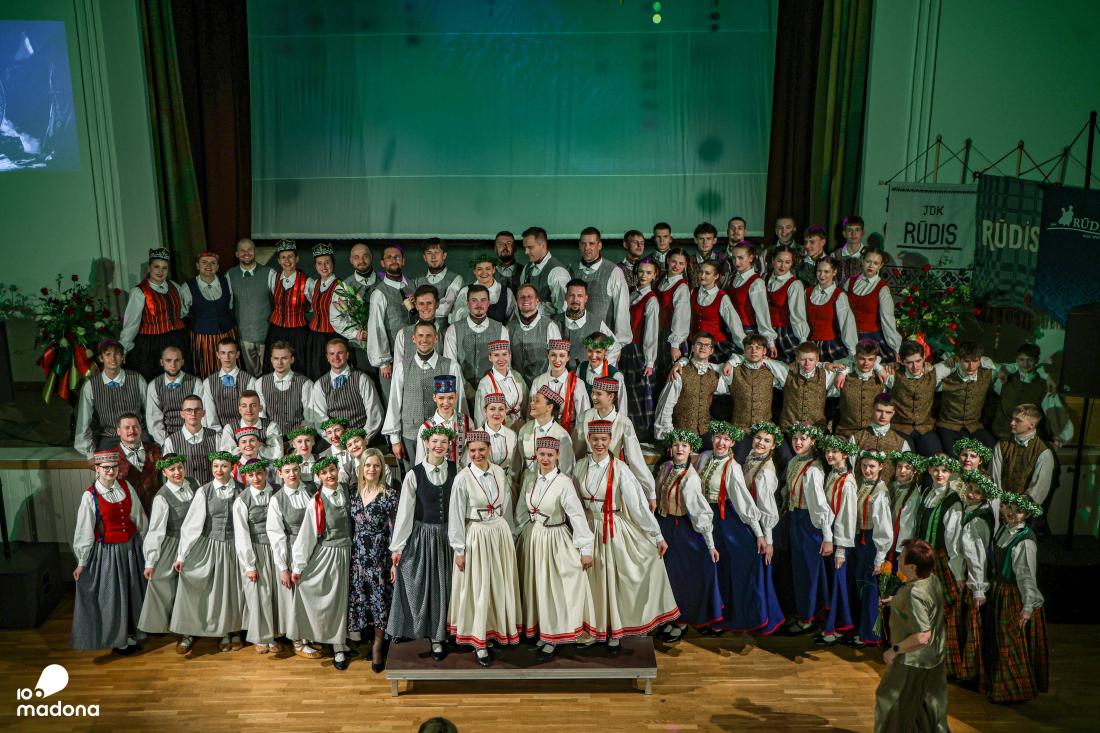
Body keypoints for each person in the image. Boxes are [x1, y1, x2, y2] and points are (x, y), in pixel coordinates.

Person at [573, 420, 679, 652]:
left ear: (611, 440)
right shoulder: (580, 466)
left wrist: (657, 535)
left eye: (604, 439)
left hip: (612, 528)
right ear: (588, 439)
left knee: (613, 580)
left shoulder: (620, 469)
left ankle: (614, 631)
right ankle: (592, 630)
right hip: (588, 528)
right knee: (591, 583)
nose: (599, 444)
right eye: (595, 439)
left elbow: (638, 506)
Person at [693, 422, 784, 637]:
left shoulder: (736, 467)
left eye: (726, 439)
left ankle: (730, 618)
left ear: (732, 442)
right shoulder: (706, 457)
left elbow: (746, 503)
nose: (721, 442)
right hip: (703, 516)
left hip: (725, 520)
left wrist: (762, 536)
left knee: (729, 568)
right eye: (718, 437)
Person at [512, 436, 595, 661]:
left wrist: (585, 549)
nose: (545, 459)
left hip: (555, 539)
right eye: (542, 454)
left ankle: (553, 637)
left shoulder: (564, 483)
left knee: (553, 588)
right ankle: (542, 632)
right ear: (536, 455)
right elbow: (521, 511)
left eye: (550, 455)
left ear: (558, 455)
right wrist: (514, 536)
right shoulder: (530, 477)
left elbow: (577, 516)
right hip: (532, 539)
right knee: (536, 587)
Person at [447, 430, 520, 666]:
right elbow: (456, 516)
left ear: (489, 449)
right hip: (476, 535)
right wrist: (459, 550)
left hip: (498, 532)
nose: (477, 454)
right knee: (479, 586)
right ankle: (479, 641)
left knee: (497, 583)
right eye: (472, 451)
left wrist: (509, 534)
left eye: (481, 449)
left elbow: (506, 505)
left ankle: (495, 629)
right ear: (467, 452)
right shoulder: (462, 478)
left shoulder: (499, 472)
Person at [388, 426, 457, 660]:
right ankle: (427, 634)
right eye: (435, 441)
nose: (439, 446)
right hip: (423, 537)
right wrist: (398, 547)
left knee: (445, 586)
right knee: (421, 584)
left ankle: (443, 635)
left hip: (448, 536)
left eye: (444, 441)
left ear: (449, 445)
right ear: (426, 443)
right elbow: (405, 513)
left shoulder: (456, 470)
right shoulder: (414, 474)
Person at [70, 450, 148, 654]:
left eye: (114, 467)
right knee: (113, 598)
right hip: (108, 553)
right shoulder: (90, 495)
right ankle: (118, 640)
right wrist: (81, 561)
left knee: (132, 592)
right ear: (97, 468)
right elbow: (84, 530)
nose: (111, 471)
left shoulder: (125, 486)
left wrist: (146, 543)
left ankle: (130, 634)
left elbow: (138, 516)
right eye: (106, 468)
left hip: (130, 549)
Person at [170, 451, 245, 653]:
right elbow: (192, 524)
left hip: (234, 545)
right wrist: (182, 555)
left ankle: (233, 631)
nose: (219, 470)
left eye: (224, 466)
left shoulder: (241, 490)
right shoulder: (204, 491)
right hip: (210, 544)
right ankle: (191, 632)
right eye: (216, 466)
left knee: (233, 590)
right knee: (201, 586)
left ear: (232, 468)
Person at [874, 538, 950, 733]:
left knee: (891, 704)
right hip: (933, 658)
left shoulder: (913, 593)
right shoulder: (931, 579)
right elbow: (925, 605)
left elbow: (922, 635)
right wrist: (896, 601)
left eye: (902, 557)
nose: (898, 559)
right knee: (925, 711)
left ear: (912, 567)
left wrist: (894, 650)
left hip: (911, 662)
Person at [981, 493, 1048, 704]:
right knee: (997, 640)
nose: (1011, 513)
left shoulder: (1025, 541)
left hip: (1013, 595)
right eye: (1009, 507)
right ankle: (997, 685)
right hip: (999, 590)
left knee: (1010, 642)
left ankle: (1012, 691)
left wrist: (1027, 607)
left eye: (1018, 511)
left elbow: (1026, 576)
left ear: (1026, 515)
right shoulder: (1004, 529)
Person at [654, 430, 720, 643]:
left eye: (684, 445)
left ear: (691, 449)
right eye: (676, 445)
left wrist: (710, 544)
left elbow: (701, 513)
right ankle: (668, 617)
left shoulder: (690, 478)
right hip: (663, 525)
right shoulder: (665, 467)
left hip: (681, 529)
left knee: (680, 577)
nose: (680, 449)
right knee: (665, 576)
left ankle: (681, 622)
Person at [290, 456, 354, 670]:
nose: (329, 475)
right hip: (330, 554)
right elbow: (306, 535)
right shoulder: (316, 501)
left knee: (346, 600)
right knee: (333, 600)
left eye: (332, 470)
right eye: (324, 472)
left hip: (351, 552)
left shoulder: (348, 491)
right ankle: (336, 646)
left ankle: (343, 639)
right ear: (318, 476)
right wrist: (298, 566)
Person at [382, 323, 465, 472]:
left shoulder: (451, 366)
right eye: (420, 335)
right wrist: (395, 439)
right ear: (413, 338)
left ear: (436, 338)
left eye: (429, 336)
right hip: (410, 437)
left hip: (443, 438)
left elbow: (459, 403)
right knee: (413, 478)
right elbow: (395, 403)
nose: (424, 339)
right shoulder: (401, 368)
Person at [137, 454, 197, 650]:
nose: (177, 472)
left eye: (180, 467)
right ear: (164, 472)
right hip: (174, 543)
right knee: (171, 585)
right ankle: (185, 633)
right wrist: (150, 562)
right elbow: (156, 531)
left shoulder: (195, 485)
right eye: (172, 469)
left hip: (197, 543)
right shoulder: (162, 497)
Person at [914, 455, 965, 678]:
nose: (939, 474)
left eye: (944, 470)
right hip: (922, 559)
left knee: (942, 613)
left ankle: (944, 663)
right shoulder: (926, 493)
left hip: (939, 560)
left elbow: (953, 541)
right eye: (935, 469)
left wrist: (958, 573)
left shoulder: (952, 501)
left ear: (950, 473)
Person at [348, 448, 398, 673]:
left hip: (380, 557)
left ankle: (379, 646)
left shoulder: (390, 495)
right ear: (361, 468)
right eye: (368, 465)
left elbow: (396, 531)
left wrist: (394, 563)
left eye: (376, 465)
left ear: (382, 469)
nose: (372, 469)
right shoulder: (353, 493)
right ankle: (369, 641)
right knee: (364, 601)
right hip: (359, 557)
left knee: (380, 603)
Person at [266, 454, 320, 659]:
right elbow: (276, 534)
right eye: (287, 471)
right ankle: (298, 641)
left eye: (295, 469)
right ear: (280, 474)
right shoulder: (277, 499)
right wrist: (283, 567)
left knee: (311, 593)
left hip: (315, 549)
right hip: (293, 549)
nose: (292, 474)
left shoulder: (312, 489)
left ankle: (311, 634)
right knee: (294, 597)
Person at [784, 423, 834, 634]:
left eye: (803, 439)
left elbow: (820, 506)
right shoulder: (794, 461)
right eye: (795, 438)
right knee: (799, 572)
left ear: (813, 441)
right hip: (796, 519)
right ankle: (803, 613)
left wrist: (827, 536)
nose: (798, 442)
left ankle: (809, 617)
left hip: (810, 523)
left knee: (810, 573)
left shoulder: (813, 469)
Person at [571, 377, 655, 501]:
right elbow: (575, 449)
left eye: (599, 394)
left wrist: (650, 491)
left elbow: (635, 458)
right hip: (587, 476)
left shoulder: (623, 422)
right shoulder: (587, 415)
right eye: (593, 392)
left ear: (611, 396)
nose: (593, 397)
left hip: (611, 477)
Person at [119, 247, 192, 381]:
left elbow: (181, 312)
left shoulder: (174, 286)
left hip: (178, 340)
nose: (160, 271)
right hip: (153, 344)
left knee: (180, 378)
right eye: (156, 267)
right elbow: (132, 323)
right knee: (156, 380)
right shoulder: (139, 292)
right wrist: (123, 347)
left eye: (164, 268)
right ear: (149, 268)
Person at [813, 437, 858, 647]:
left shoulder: (847, 482)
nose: (830, 455)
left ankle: (837, 629)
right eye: (828, 451)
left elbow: (845, 518)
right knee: (832, 583)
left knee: (839, 584)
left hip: (840, 539)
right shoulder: (832, 473)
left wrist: (840, 549)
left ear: (845, 454)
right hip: (830, 534)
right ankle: (830, 627)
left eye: (835, 452)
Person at [233, 458, 281, 655]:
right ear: (246, 477)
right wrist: (249, 564)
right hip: (257, 549)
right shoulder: (242, 500)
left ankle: (274, 635)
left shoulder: (277, 491)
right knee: (260, 593)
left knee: (276, 593)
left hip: (277, 547)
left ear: (265, 473)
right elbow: (241, 533)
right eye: (251, 475)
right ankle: (261, 636)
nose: (256, 478)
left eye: (259, 473)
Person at [954, 470, 999, 683]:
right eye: (970, 488)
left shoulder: (977, 519)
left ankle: (971, 673)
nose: (971, 493)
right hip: (973, 577)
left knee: (973, 626)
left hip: (976, 579)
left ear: (985, 495)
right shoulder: (972, 509)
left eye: (977, 492)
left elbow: (977, 556)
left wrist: (978, 588)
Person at [850, 451, 895, 648]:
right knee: (861, 586)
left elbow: (883, 528)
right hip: (860, 540)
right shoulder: (861, 484)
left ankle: (871, 634)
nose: (867, 470)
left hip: (871, 542)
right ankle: (861, 629)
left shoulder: (880, 492)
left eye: (872, 466)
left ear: (881, 467)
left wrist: (879, 558)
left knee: (870, 588)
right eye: (864, 466)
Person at [653, 332, 730, 445]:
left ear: (711, 350)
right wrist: (669, 437)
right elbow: (665, 406)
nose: (703, 347)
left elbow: (732, 383)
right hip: (681, 432)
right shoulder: (679, 373)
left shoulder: (715, 374)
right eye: (699, 344)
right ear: (693, 348)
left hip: (704, 432)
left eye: (707, 345)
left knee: (722, 449)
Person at [75, 340, 148, 457]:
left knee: (144, 461)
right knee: (107, 464)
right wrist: (88, 451)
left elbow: (151, 413)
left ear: (123, 357)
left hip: (137, 436)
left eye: (117, 354)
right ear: (101, 358)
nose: (113, 358)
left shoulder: (137, 379)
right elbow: (83, 421)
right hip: (110, 438)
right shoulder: (91, 385)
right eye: (108, 354)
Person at [992, 343, 1071, 447]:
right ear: (1016, 360)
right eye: (1021, 359)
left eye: (1030, 360)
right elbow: (985, 366)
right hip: (1001, 436)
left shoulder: (1044, 386)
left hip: (1030, 440)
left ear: (1036, 361)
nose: (1025, 363)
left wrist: (1058, 442)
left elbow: (1056, 415)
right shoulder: (1003, 379)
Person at [367, 244, 417, 404]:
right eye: (389, 258)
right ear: (383, 263)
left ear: (403, 261)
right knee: (394, 403)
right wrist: (383, 362)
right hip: (393, 358)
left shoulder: (412, 285)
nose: (393, 260)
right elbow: (376, 328)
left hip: (415, 354)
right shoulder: (380, 293)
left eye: (397, 257)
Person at [444, 284, 511, 397]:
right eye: (474, 300)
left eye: (483, 300)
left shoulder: (501, 330)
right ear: (468, 303)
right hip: (461, 394)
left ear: (488, 303)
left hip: (493, 393)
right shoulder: (453, 329)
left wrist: (488, 389)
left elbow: (505, 366)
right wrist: (468, 391)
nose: (479, 304)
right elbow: (451, 365)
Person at [310, 338, 384, 441]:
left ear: (347, 355)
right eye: (332, 354)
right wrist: (336, 441)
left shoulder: (362, 379)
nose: (336, 357)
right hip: (335, 441)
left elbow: (375, 413)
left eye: (340, 353)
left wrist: (362, 439)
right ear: (327, 357)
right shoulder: (319, 385)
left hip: (362, 439)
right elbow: (320, 420)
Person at [934, 341, 998, 453]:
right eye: (967, 361)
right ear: (959, 360)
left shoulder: (987, 374)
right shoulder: (948, 376)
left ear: (980, 361)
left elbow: (1009, 367)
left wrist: (1003, 371)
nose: (971, 366)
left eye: (975, 361)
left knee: (993, 449)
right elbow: (932, 374)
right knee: (953, 455)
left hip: (974, 426)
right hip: (948, 425)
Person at [571, 227, 632, 343]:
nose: (587, 248)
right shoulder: (571, 268)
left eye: (591, 244)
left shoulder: (614, 272)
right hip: (576, 340)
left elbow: (622, 311)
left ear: (599, 246)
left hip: (601, 344)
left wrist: (620, 343)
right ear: (579, 245)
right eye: (583, 243)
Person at [990, 404, 1057, 506]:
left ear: (1032, 425)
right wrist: (1000, 504)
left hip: (1024, 509)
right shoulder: (1002, 445)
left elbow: (1038, 488)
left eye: (1018, 420)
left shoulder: (1043, 453)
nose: (1012, 423)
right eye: (1013, 419)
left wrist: (1018, 507)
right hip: (999, 505)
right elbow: (994, 478)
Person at [263, 240, 314, 374]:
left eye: (290, 256)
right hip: (276, 330)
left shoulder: (307, 281)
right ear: (278, 260)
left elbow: (312, 307)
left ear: (297, 258)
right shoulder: (274, 278)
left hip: (298, 332)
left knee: (298, 364)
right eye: (283, 257)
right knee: (276, 365)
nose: (287, 260)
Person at [226, 238, 274, 376]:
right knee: (250, 375)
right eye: (242, 250)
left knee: (268, 373)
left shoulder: (270, 273)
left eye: (250, 249)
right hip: (244, 336)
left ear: (256, 252)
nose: (246, 253)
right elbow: (228, 304)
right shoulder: (230, 275)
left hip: (265, 333)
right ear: (237, 254)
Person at [513, 385, 578, 488]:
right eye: (533, 400)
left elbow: (566, 469)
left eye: (537, 401)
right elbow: (517, 464)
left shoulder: (561, 435)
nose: (532, 403)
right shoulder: (525, 429)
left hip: (551, 485)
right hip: (528, 485)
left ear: (550, 407)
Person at [186, 252, 239, 378]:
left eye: (213, 263)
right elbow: (184, 312)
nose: (208, 265)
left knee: (230, 366)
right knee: (207, 368)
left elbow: (230, 305)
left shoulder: (226, 282)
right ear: (198, 266)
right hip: (203, 337)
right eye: (204, 262)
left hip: (227, 332)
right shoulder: (188, 287)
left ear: (217, 267)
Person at [623, 258, 660, 433]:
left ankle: (641, 430)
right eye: (641, 271)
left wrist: (650, 361)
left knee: (638, 391)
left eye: (648, 272)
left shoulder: (651, 300)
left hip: (639, 350)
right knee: (626, 390)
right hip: (626, 348)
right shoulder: (631, 292)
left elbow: (651, 333)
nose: (643, 276)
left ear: (655, 275)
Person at [845, 246, 901, 362]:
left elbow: (887, 319)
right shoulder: (851, 282)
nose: (871, 266)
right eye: (868, 261)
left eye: (876, 263)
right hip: (849, 335)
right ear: (862, 261)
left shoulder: (882, 289)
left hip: (871, 338)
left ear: (880, 265)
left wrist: (895, 347)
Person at [334, 243, 381, 373]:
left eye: (365, 256)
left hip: (385, 344)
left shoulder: (385, 280)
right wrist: (355, 333)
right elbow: (336, 318)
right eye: (356, 257)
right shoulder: (344, 286)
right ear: (351, 260)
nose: (361, 260)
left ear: (371, 257)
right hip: (359, 348)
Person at [300, 244, 345, 380]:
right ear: (315, 266)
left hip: (332, 336)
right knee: (315, 370)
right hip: (314, 336)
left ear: (333, 264)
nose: (323, 266)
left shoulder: (339, 286)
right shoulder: (316, 283)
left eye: (327, 262)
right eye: (319, 263)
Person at [528, 339, 591, 434]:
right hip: (542, 433)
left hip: (568, 432)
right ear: (548, 356)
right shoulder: (538, 381)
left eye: (562, 356)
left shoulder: (577, 384)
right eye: (553, 355)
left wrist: (577, 440)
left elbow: (583, 417)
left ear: (568, 357)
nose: (557, 360)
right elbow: (531, 413)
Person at [555, 279, 622, 368]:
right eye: (572, 295)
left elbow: (615, 347)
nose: (575, 299)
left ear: (586, 298)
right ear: (566, 297)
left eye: (580, 296)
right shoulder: (553, 322)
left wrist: (600, 370)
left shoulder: (597, 323)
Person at [689, 259, 745, 363]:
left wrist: (744, 346)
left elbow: (734, 324)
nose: (702, 276)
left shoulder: (722, 297)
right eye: (701, 272)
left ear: (716, 276)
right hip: (694, 343)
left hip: (715, 344)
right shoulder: (693, 292)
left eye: (707, 273)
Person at [847, 395, 912, 485]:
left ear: (893, 413)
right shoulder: (856, 438)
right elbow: (850, 471)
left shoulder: (901, 443)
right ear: (872, 410)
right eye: (879, 411)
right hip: (860, 490)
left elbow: (903, 476)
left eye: (888, 412)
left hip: (888, 492)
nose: (883, 416)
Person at [255, 341, 315, 439]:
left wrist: (296, 439)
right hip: (271, 438)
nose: (280, 363)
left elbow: (309, 418)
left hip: (299, 438)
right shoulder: (260, 383)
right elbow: (261, 417)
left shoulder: (305, 383)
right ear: (271, 360)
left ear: (292, 359)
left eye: (284, 358)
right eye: (276, 358)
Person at [507, 283, 564, 386]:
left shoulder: (550, 326)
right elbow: (506, 360)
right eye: (522, 297)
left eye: (530, 296)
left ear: (537, 301)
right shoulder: (509, 328)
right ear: (518, 302)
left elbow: (557, 359)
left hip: (543, 385)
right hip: (517, 385)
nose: (526, 299)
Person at [146, 345, 203, 446]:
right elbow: (154, 421)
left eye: (177, 360)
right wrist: (166, 442)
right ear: (162, 362)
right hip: (166, 437)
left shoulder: (195, 383)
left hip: (193, 435)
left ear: (182, 362)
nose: (173, 365)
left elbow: (201, 416)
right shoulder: (154, 386)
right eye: (168, 360)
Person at [727, 241, 777, 352]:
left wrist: (769, 341)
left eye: (741, 258)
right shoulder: (734, 277)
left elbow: (762, 313)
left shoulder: (756, 282)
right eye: (734, 258)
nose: (736, 262)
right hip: (731, 328)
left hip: (746, 330)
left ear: (750, 258)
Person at [806, 256, 858, 361]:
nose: (822, 275)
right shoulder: (808, 292)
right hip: (810, 344)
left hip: (830, 344)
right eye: (819, 271)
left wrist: (852, 349)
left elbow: (846, 324)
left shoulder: (839, 295)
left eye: (826, 271)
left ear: (834, 272)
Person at [201, 337, 259, 430]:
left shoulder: (250, 381)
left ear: (237, 354)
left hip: (245, 431)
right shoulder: (208, 383)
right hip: (218, 433)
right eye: (223, 353)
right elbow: (210, 417)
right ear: (218, 355)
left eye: (230, 353)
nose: (227, 357)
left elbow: (253, 413)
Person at [414, 375, 473, 465]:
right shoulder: (426, 427)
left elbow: (472, 452)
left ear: (456, 397)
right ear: (434, 397)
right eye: (441, 398)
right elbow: (421, 459)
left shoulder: (466, 422)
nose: (446, 403)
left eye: (450, 398)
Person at [654, 248, 691, 388]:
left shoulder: (681, 286)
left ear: (685, 264)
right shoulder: (661, 280)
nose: (676, 266)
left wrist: (675, 344)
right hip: (658, 332)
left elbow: (680, 316)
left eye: (681, 263)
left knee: (669, 376)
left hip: (670, 334)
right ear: (668, 260)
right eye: (674, 262)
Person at [836, 340, 888, 438]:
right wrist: (842, 372)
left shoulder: (881, 377)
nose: (866, 363)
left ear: (875, 360)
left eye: (870, 359)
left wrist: (880, 367)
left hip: (873, 434)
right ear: (856, 357)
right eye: (862, 359)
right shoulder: (844, 376)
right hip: (846, 432)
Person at [766, 245, 810, 362]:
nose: (783, 266)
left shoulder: (794, 284)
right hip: (766, 330)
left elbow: (798, 314)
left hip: (784, 333)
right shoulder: (766, 279)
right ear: (773, 260)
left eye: (787, 262)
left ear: (792, 263)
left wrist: (802, 341)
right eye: (779, 261)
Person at [162, 395, 219, 484]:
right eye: (188, 410)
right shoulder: (171, 441)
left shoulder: (215, 436)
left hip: (211, 491)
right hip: (184, 491)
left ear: (203, 413)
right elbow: (168, 474)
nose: (193, 414)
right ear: (182, 414)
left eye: (197, 410)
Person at [114, 412, 163, 514]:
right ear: (119, 431)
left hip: (155, 511)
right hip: (127, 514)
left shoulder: (155, 449)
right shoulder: (112, 457)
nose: (131, 431)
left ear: (140, 429)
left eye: (135, 427)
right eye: (127, 427)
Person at [473, 340, 527, 428]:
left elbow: (526, 404)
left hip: (521, 426)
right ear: (490, 357)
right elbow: (480, 416)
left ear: (510, 356)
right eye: (496, 355)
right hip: (500, 428)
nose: (501, 359)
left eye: (504, 354)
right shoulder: (486, 383)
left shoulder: (517, 376)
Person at [519, 226, 571, 318]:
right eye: (525, 248)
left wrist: (533, 307)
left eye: (530, 247)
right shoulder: (527, 268)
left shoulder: (557, 272)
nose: (526, 252)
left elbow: (563, 309)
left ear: (543, 245)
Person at [413, 238, 464, 330]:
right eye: (429, 253)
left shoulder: (455, 278)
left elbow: (446, 308)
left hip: (445, 332)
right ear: (424, 257)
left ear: (444, 255)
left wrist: (422, 308)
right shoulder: (418, 280)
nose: (433, 257)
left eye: (437, 252)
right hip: (421, 332)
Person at [218, 390, 283, 460]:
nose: (248, 410)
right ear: (240, 409)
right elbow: (227, 456)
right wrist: (260, 445)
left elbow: (277, 455)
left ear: (260, 408)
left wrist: (244, 448)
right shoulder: (230, 428)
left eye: (253, 405)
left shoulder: (271, 426)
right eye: (244, 406)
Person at [888, 452, 927, 565]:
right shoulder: (892, 486)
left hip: (898, 544)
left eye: (907, 468)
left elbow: (908, 526)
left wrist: (903, 548)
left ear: (914, 471)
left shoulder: (914, 495)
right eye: (899, 466)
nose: (902, 471)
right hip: (885, 538)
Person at [452, 254, 515, 324]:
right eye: (479, 269)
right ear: (474, 271)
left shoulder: (506, 292)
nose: (484, 272)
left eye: (488, 269)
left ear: (494, 269)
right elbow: (456, 320)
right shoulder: (465, 291)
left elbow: (512, 321)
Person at [576, 332, 627, 416]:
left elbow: (622, 405)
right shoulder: (581, 368)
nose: (593, 356)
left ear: (606, 351)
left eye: (598, 352)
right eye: (590, 351)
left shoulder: (615, 375)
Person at [480, 394, 518, 480]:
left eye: (501, 409)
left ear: (505, 411)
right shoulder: (476, 436)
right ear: (485, 411)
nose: (497, 413)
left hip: (506, 482)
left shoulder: (511, 435)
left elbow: (515, 465)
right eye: (492, 409)